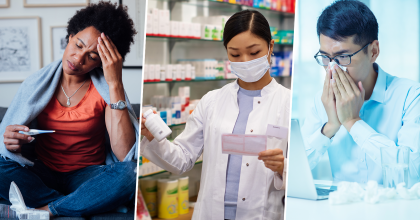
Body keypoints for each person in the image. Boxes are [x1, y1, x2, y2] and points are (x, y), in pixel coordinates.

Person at [141, 10, 289, 220]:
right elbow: (182, 159)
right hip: (211, 212)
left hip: (261, 213)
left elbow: (306, 174)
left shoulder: (289, 103)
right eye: (235, 54)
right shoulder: (212, 100)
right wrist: (152, 137)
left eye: (254, 52)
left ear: (270, 47)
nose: (245, 61)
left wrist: (285, 166)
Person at [0, 1, 139, 217]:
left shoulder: (106, 91)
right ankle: (80, 202)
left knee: (130, 174)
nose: (78, 58)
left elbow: (124, 155)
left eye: (92, 57)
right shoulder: (36, 84)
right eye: (79, 45)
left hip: (87, 175)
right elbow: (8, 143)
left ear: (101, 62)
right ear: (70, 36)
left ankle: (45, 210)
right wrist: (11, 141)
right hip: (41, 172)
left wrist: (115, 83)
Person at [302, 0, 420, 186]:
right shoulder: (322, 100)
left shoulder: (411, 95)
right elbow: (296, 171)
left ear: (373, 51)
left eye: (343, 57)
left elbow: (412, 173)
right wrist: (330, 127)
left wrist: (352, 123)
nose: (332, 69)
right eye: (325, 58)